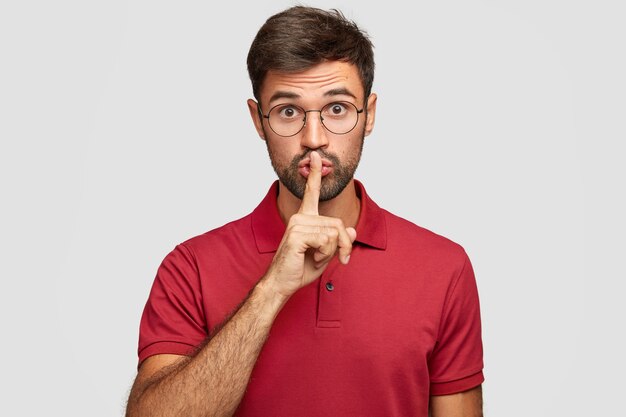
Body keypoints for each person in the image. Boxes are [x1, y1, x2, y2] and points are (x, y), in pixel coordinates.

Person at [126, 6, 484, 417]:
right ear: (258, 120)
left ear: (369, 115)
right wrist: (272, 289)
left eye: (337, 109)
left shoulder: (443, 267)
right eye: (288, 111)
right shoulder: (189, 266)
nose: (313, 139)